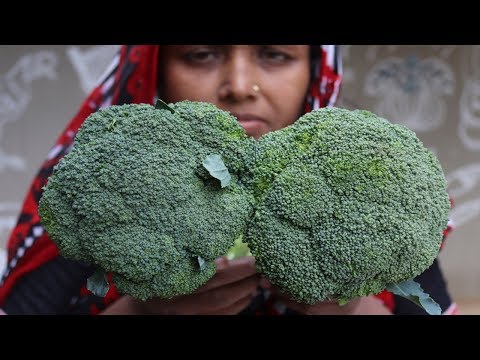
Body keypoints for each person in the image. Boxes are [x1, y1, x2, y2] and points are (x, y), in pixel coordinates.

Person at [0, 45, 457, 315]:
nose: (239, 84)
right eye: (201, 53)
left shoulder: (375, 198)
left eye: (275, 53)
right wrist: (139, 310)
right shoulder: (105, 198)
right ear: (155, 67)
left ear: (314, 70)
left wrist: (352, 306)